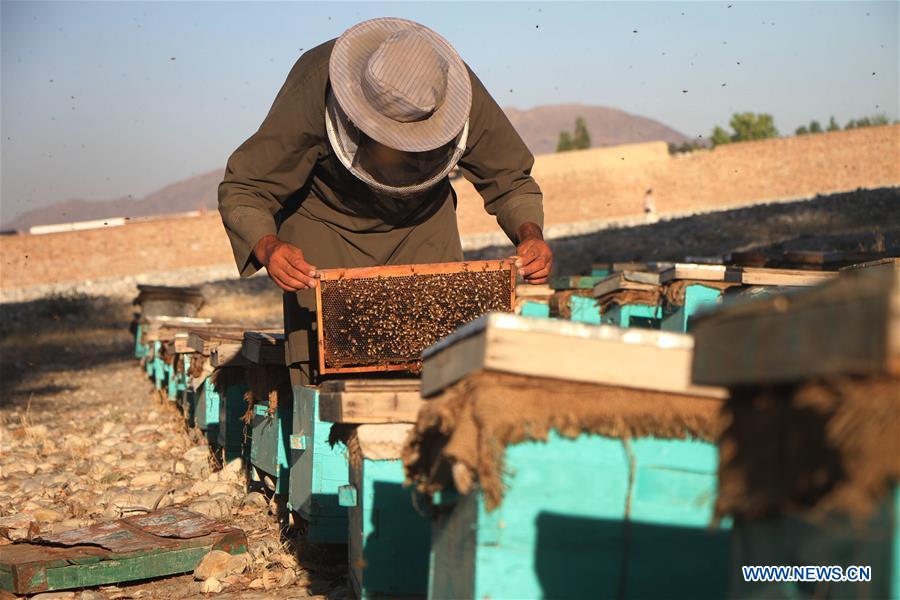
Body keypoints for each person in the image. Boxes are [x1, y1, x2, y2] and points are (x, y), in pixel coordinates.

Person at [218, 17, 553, 384]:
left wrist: (530, 235)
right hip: (325, 227)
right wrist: (269, 247)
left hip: (422, 226)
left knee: (443, 370)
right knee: (325, 378)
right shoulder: (314, 82)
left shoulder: (452, 88)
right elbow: (246, 186)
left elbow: (510, 178)